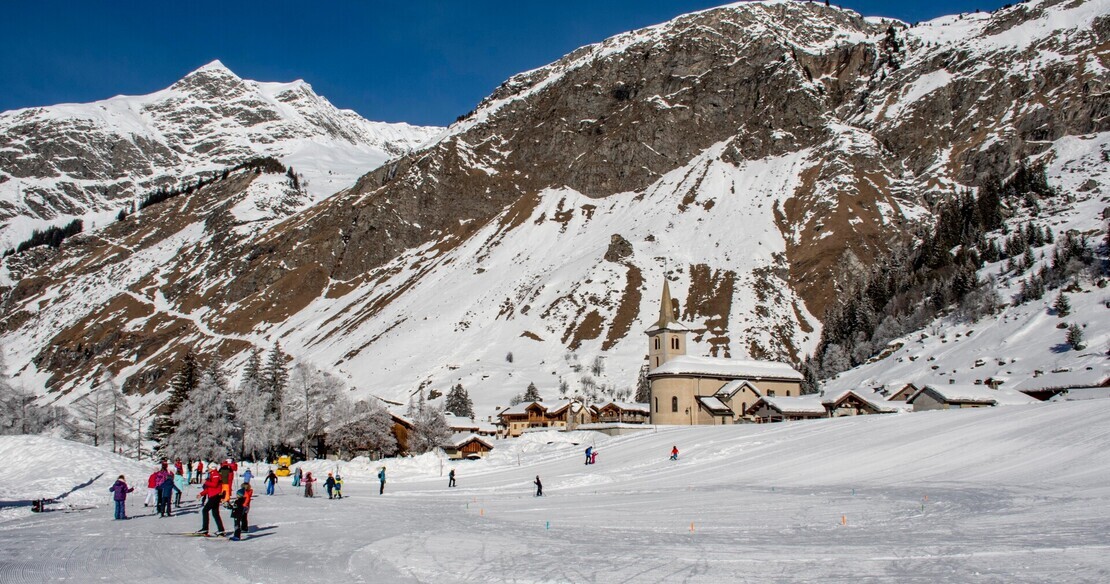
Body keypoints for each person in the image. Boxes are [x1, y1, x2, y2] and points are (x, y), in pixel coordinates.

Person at [196, 466, 226, 536]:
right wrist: (201, 494)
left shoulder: (215, 474)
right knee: (215, 513)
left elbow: (214, 485)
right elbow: (209, 488)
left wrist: (206, 482)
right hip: (213, 496)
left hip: (215, 496)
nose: (208, 469)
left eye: (209, 467)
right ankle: (221, 530)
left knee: (205, 510)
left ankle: (205, 529)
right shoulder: (212, 474)